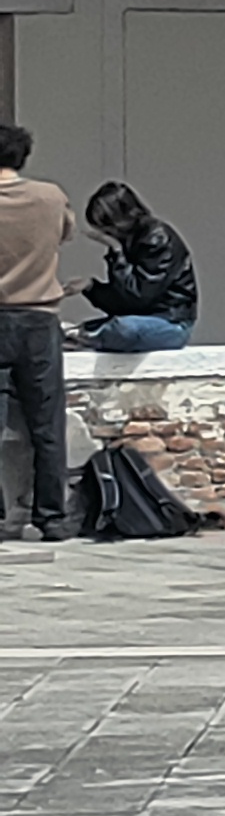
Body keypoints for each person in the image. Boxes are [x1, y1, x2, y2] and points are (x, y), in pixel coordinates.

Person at [0, 124, 73, 542]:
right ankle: (51, 516)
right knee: (46, 424)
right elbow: (66, 234)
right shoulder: (50, 197)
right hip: (39, 318)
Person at [76, 180, 195, 351]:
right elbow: (123, 301)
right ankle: (85, 337)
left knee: (123, 328)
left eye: (107, 226)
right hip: (143, 317)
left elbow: (138, 296)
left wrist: (117, 252)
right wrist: (91, 288)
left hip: (170, 322)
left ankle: (87, 339)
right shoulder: (129, 240)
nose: (106, 233)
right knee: (99, 327)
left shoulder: (156, 239)